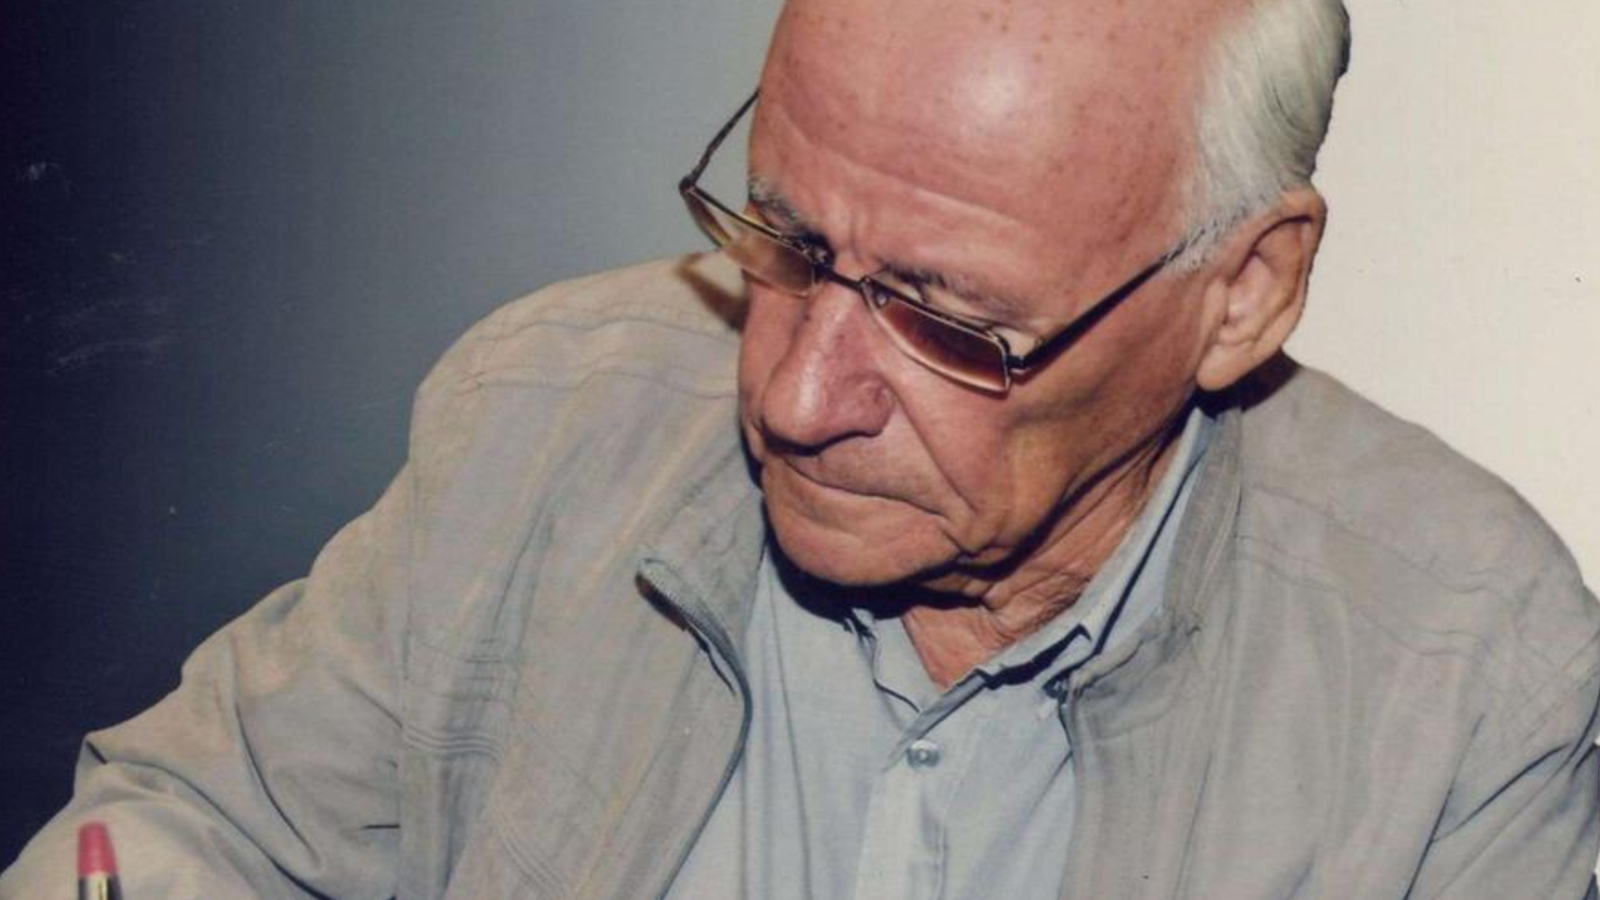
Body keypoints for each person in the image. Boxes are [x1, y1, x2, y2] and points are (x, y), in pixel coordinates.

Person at [5, 0, 1599, 896]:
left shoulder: (1465, 678)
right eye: (785, 237)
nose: (792, 394)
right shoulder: (551, 416)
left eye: (947, 317)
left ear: (1241, 291)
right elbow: (190, 825)